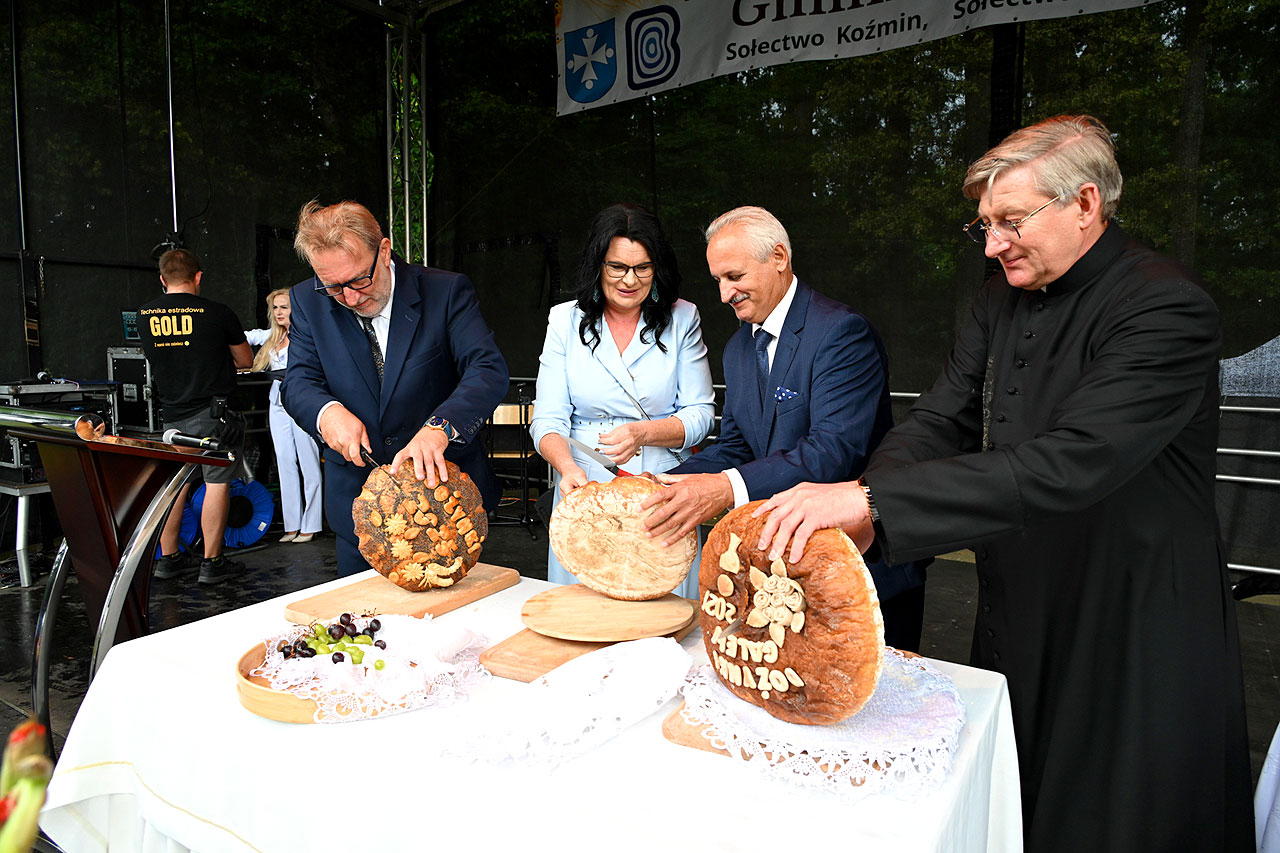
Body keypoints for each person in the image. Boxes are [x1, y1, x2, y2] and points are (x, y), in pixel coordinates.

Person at [754, 116, 1253, 850]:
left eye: (1010, 220)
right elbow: (937, 422)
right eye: (984, 224)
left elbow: (1075, 458)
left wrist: (873, 502)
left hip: (1131, 615)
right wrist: (867, 507)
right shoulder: (998, 299)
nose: (992, 243)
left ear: (1085, 204)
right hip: (1021, 601)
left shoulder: (1165, 305)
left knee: (1112, 814)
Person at [640, 206, 927, 650]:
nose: (723, 294)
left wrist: (721, 489)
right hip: (787, 573)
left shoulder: (841, 332)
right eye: (718, 280)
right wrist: (663, 486)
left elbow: (833, 452)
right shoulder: (738, 348)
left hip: (866, 569)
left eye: (734, 276)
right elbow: (735, 445)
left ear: (778, 257)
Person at [283, 200, 509, 577]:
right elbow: (299, 381)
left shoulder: (446, 291)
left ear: (384, 251)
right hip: (359, 511)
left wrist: (440, 428)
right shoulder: (307, 300)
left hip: (448, 505)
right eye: (334, 288)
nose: (351, 298)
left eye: (359, 280)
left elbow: (487, 369)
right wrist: (327, 413)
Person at [530, 203, 715, 597]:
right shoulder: (565, 320)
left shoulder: (683, 317)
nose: (629, 280)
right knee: (584, 614)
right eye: (617, 267)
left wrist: (644, 433)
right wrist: (567, 469)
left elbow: (701, 414)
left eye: (642, 268)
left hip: (661, 487)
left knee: (665, 617)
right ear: (598, 265)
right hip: (585, 486)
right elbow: (547, 419)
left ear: (657, 267)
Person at [138, 248, 253, 585]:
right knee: (217, 482)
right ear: (198, 277)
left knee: (176, 486)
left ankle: (169, 557)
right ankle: (212, 562)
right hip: (215, 412)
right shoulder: (217, 313)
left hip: (172, 413)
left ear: (162, 279)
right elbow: (245, 360)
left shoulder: (145, 315)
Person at [245, 288, 323, 544]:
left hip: (302, 403)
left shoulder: (306, 335)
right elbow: (243, 336)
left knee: (308, 462)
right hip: (276, 404)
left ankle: (311, 525)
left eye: (284, 307)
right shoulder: (271, 336)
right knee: (285, 462)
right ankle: (292, 525)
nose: (279, 312)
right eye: (276, 308)